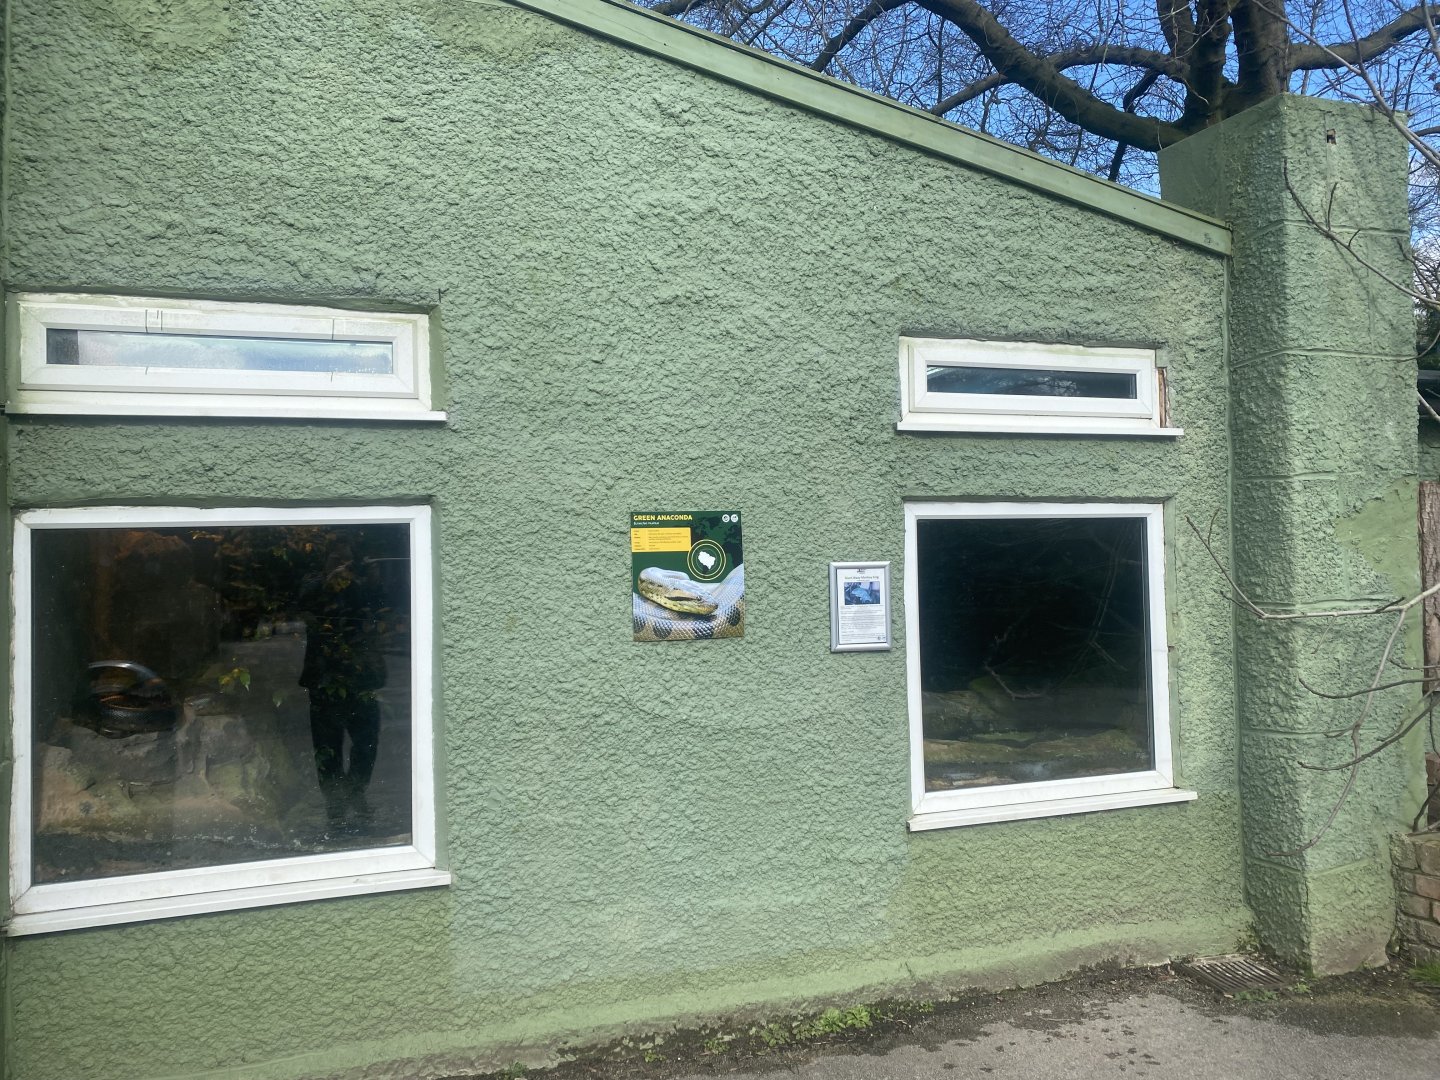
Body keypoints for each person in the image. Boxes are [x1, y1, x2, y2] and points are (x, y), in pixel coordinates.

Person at [299, 538, 388, 834]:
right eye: (336, 558)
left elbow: (382, 604)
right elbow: (302, 601)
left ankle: (355, 791)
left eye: (346, 559)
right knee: (326, 748)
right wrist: (329, 578)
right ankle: (335, 804)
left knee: (367, 743)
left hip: (360, 679)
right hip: (324, 680)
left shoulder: (360, 586)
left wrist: (367, 578)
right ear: (326, 560)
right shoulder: (314, 583)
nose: (342, 564)